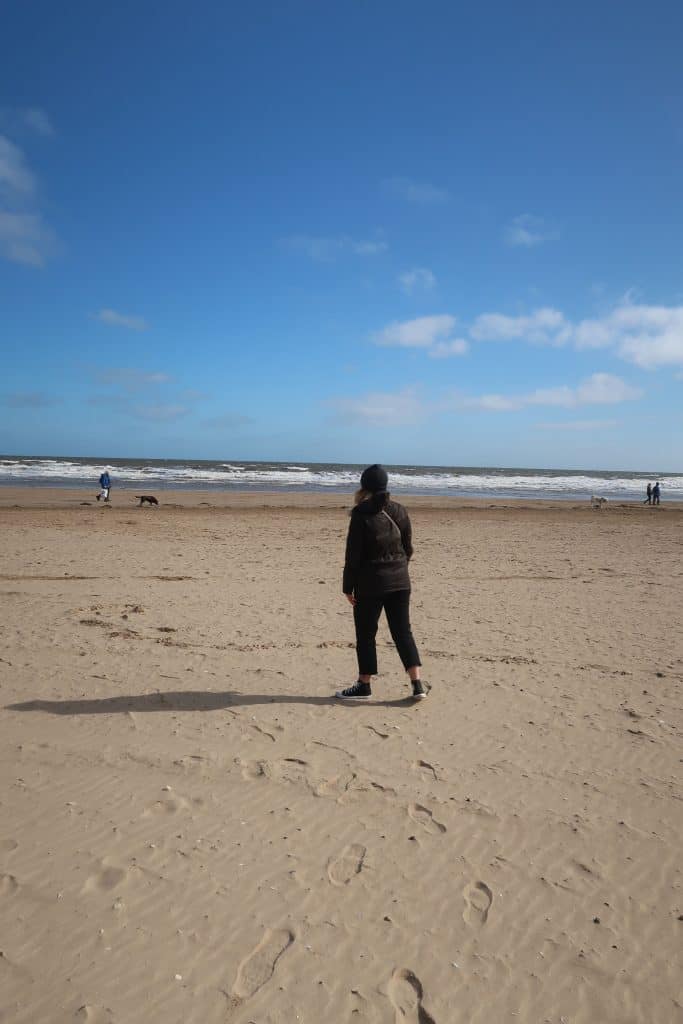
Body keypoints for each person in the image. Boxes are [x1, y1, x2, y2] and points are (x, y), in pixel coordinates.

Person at [336, 464, 426, 701]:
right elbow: (408, 548)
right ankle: (417, 684)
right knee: (402, 632)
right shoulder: (400, 510)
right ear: (385, 486)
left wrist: (347, 587)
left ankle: (364, 685)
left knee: (366, 634)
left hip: (370, 583)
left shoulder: (360, 514)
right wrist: (399, 569)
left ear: (364, 486)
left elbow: (353, 556)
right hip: (400, 581)